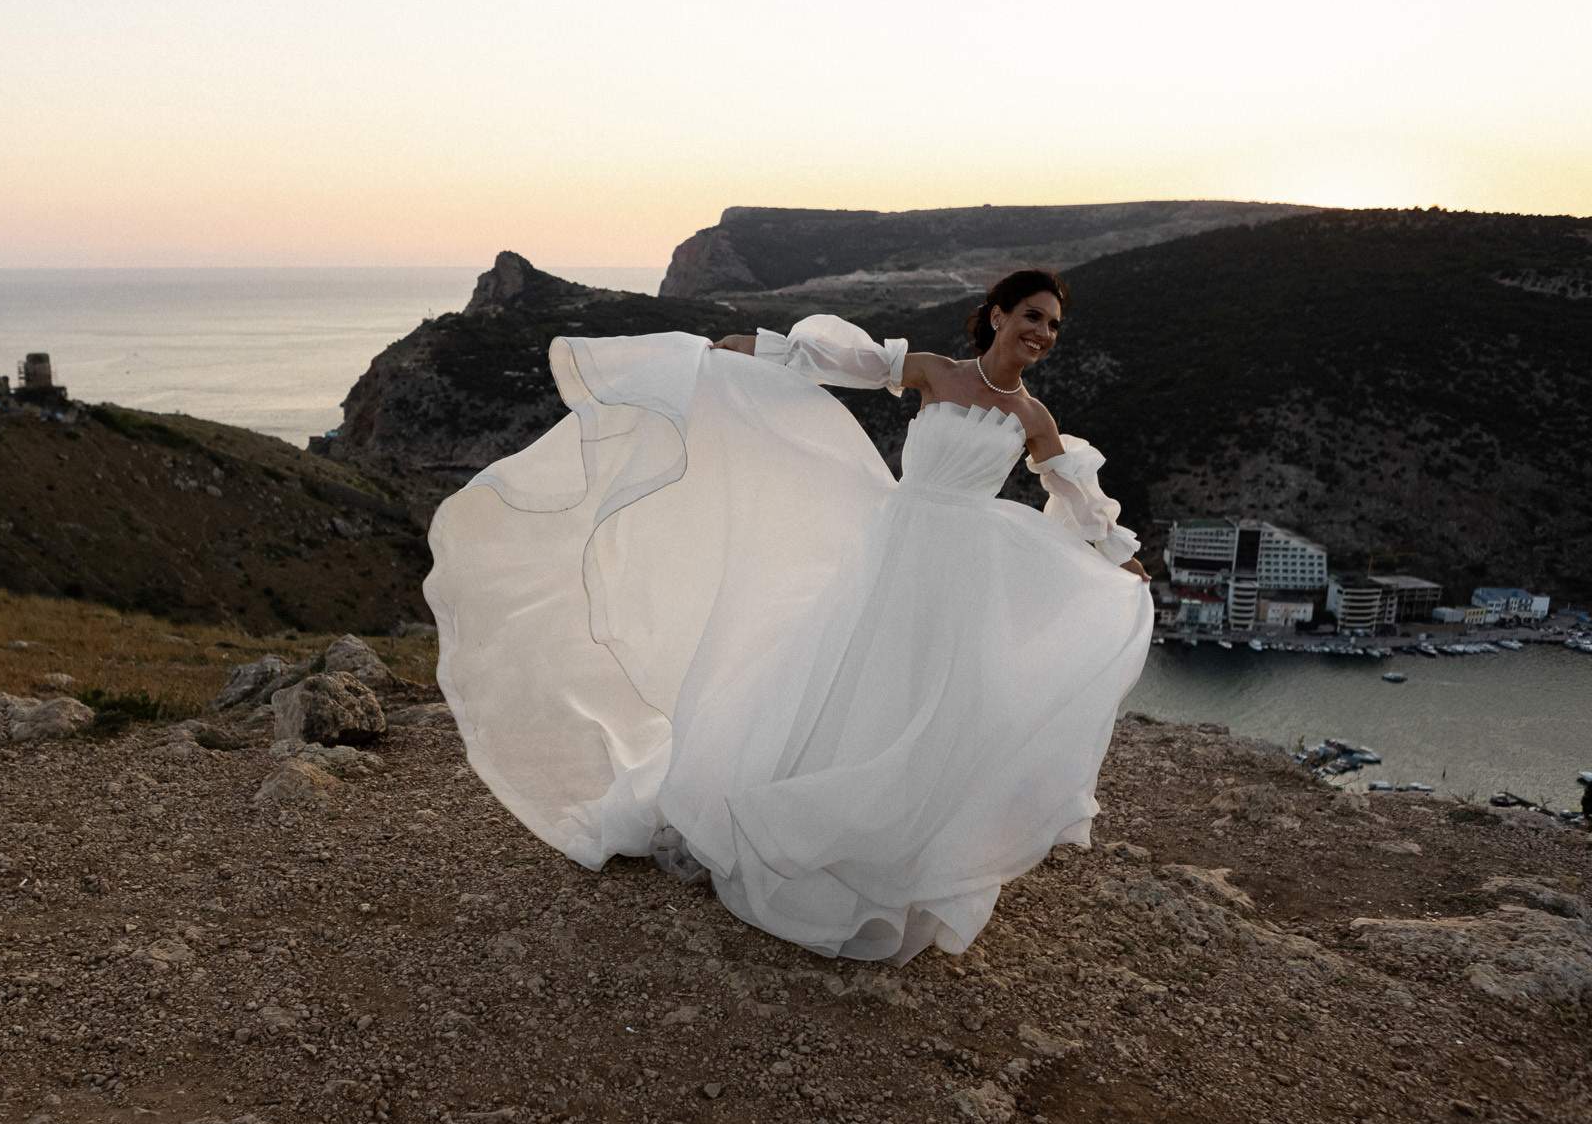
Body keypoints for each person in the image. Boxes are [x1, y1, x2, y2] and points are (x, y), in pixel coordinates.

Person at [425, 268, 1152, 965]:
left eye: (1054, 325)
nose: (1044, 332)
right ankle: (798, 829)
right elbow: (849, 363)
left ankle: (898, 854)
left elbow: (1078, 495)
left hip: (964, 573)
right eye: (1033, 316)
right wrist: (753, 351)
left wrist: (1118, 554)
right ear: (999, 314)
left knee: (930, 706)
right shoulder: (934, 371)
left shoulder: (1034, 416)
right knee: (845, 684)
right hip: (895, 548)